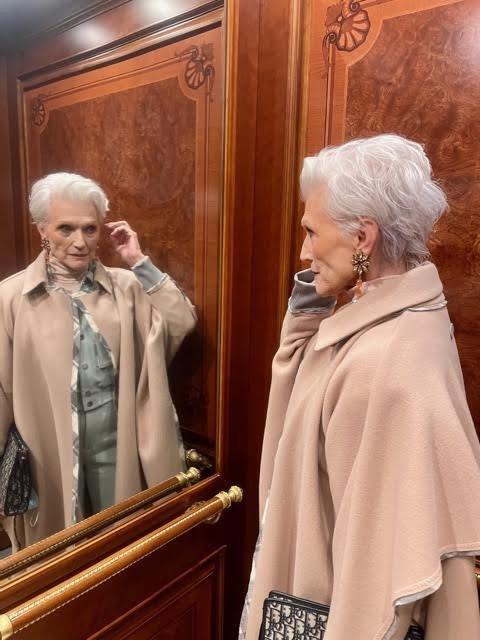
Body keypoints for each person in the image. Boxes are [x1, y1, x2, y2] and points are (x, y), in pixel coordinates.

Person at [240, 135, 480, 639]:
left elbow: (374, 581)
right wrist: (312, 303)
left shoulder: (384, 364)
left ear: (363, 238)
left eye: (311, 232)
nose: (304, 250)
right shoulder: (400, 316)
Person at [0, 172, 197, 549]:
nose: (80, 242)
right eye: (65, 228)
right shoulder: (11, 298)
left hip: (116, 447)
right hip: (48, 455)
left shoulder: (126, 287)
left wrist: (139, 261)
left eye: (89, 229)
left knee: (118, 544)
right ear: (42, 229)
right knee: (58, 552)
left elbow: (180, 321)